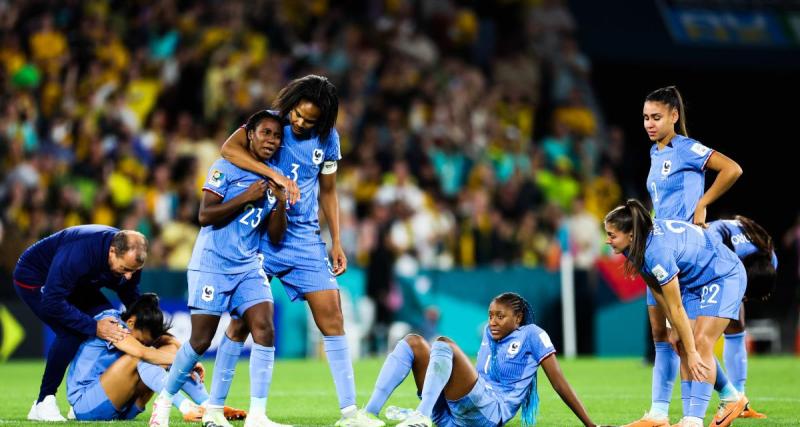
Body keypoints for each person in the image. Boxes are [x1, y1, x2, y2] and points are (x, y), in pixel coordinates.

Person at [220, 75, 380, 427]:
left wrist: (336, 240)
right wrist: (272, 176)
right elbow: (228, 149)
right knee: (241, 322)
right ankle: (216, 408)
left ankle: (349, 414)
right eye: (297, 115)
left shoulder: (329, 138)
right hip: (261, 234)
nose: (300, 123)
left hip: (305, 239)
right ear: (290, 104)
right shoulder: (270, 123)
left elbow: (328, 192)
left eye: (310, 120)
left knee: (333, 317)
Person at [149, 111, 290, 427]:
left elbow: (276, 237)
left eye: (277, 136)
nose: (272, 140)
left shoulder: (274, 176)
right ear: (250, 135)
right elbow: (205, 215)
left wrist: (280, 201)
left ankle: (257, 415)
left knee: (264, 326)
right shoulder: (224, 168)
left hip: (248, 265)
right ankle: (165, 400)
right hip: (211, 264)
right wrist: (246, 197)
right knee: (200, 341)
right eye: (266, 133)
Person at [631, 86, 744, 427]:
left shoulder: (686, 149)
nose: (650, 124)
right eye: (646, 118)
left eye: (657, 117)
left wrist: (703, 203)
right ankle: (661, 413)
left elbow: (732, 169)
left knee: (686, 339)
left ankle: (695, 410)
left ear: (674, 116)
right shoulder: (655, 152)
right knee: (662, 336)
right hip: (658, 251)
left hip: (686, 257)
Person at [361, 292, 603, 427]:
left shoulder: (533, 335)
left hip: (490, 411)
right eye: (490, 315)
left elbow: (559, 382)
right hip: (453, 415)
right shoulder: (489, 333)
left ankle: (421, 416)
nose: (493, 322)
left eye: (500, 316)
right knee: (413, 341)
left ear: (518, 318)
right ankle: (369, 414)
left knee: (444, 344)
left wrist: (590, 425)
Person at [605, 200, 747, 427]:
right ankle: (730, 397)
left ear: (630, 235)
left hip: (722, 274)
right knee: (680, 341)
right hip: (694, 279)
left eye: (612, 235)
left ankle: (694, 420)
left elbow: (676, 307)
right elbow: (654, 285)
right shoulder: (636, 243)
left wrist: (691, 351)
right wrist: (673, 328)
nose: (607, 240)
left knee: (699, 343)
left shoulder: (657, 252)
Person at [13, 225, 148, 421]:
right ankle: (43, 402)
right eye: (126, 269)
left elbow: (130, 294)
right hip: (36, 278)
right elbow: (53, 301)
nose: (129, 276)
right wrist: (94, 327)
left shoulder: (128, 257)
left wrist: (152, 328)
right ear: (112, 252)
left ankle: (86, 399)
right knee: (71, 332)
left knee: (115, 325)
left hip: (77, 282)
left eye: (134, 271)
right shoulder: (80, 253)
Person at [705, 216, 778, 419]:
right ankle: (729, 398)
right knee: (698, 337)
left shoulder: (770, 260)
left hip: (730, 266)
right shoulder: (717, 245)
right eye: (745, 294)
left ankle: (739, 400)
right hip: (701, 261)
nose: (744, 298)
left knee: (736, 327)